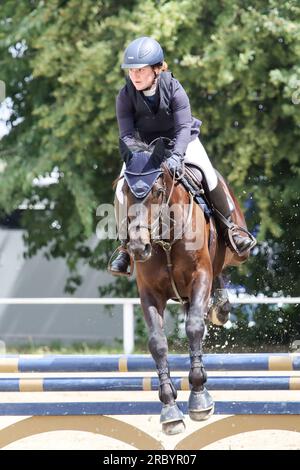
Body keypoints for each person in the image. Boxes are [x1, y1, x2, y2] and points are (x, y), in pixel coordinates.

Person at [110, 36, 255, 276]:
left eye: (141, 70)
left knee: (208, 174)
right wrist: (141, 156)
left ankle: (231, 230)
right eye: (131, 70)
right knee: (120, 187)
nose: (135, 76)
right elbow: (126, 135)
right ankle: (125, 247)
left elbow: (183, 128)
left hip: (182, 141)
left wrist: (177, 155)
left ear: (157, 69)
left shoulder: (174, 88)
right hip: (144, 149)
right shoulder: (125, 95)